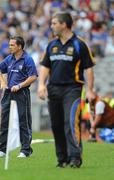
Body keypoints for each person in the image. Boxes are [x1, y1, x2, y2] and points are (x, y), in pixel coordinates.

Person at [37, 12, 95, 168]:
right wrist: (41, 85)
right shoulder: (51, 45)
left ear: (64, 25)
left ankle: (75, 157)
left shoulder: (79, 44)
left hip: (73, 89)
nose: (51, 26)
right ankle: (62, 159)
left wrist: (89, 90)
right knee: (56, 125)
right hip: (53, 89)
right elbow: (44, 66)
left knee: (70, 122)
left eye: (54, 23)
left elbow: (89, 69)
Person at [0, 36, 38, 158]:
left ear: (20, 46)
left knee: (24, 121)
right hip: (8, 93)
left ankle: (26, 150)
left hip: (22, 93)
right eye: (9, 44)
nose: (9, 47)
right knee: (4, 121)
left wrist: (20, 85)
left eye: (12, 45)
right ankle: (2, 150)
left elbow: (33, 76)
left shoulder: (28, 59)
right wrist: (2, 81)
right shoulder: (9, 58)